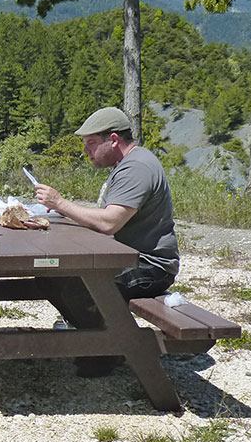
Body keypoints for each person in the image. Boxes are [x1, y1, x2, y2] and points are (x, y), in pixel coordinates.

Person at [33, 106, 179, 376]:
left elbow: (109, 222)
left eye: (91, 143)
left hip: (149, 266)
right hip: (127, 257)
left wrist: (60, 203)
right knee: (50, 275)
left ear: (113, 139)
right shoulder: (129, 164)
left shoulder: (136, 168)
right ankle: (97, 339)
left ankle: (108, 349)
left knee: (77, 288)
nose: (86, 151)